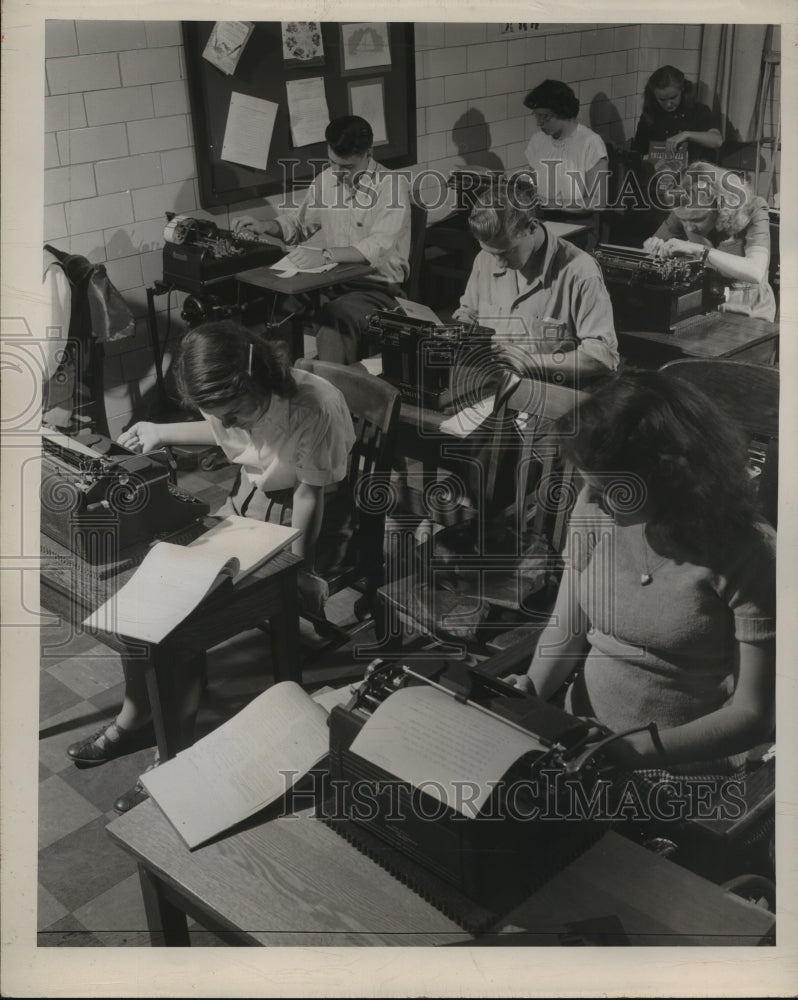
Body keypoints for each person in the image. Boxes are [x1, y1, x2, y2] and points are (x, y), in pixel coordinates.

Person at [65, 321, 356, 807]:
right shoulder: (232, 400)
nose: (230, 422)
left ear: (256, 378)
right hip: (252, 499)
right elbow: (228, 431)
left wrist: (297, 569)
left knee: (182, 614)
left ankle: (173, 754)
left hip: (310, 513)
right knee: (143, 593)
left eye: (235, 411)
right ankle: (137, 718)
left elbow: (309, 494)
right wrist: (161, 430)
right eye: (218, 413)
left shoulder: (315, 406)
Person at [507, 371, 776, 774]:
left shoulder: (754, 555)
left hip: (681, 764)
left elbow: (753, 716)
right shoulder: (595, 507)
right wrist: (530, 695)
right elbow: (567, 629)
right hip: (577, 742)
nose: (591, 500)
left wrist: (633, 751)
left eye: (608, 489)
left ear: (668, 476)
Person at [232, 115, 410, 365]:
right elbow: (298, 224)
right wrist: (265, 226)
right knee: (273, 308)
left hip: (377, 289)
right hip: (332, 285)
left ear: (369, 153)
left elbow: (378, 245)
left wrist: (325, 255)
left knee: (334, 320)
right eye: (331, 162)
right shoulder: (327, 180)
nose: (336, 172)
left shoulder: (391, 186)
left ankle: (334, 395)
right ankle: (284, 386)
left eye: (346, 168)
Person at [452, 173, 619, 383]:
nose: (498, 263)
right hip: (492, 383)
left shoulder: (580, 271)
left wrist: (529, 361)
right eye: (491, 253)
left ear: (531, 227)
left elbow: (602, 357)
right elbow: (468, 315)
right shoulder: (485, 259)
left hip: (551, 390)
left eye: (506, 253)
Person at [643, 161, 777, 321]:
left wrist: (699, 249)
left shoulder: (754, 208)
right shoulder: (686, 210)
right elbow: (651, 247)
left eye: (698, 219)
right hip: (705, 304)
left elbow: (755, 271)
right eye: (683, 220)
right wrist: (652, 247)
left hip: (750, 309)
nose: (689, 227)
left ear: (721, 205)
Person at [522, 80, 608, 248]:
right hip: (543, 222)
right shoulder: (538, 140)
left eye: (544, 117)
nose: (539, 123)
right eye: (536, 116)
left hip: (579, 227)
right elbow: (531, 187)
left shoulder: (590, 142)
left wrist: (556, 203)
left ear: (562, 112)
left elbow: (599, 201)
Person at [632, 65, 722, 165]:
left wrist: (686, 135)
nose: (668, 104)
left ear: (682, 89)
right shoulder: (650, 115)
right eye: (662, 99)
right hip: (659, 175)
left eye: (673, 97)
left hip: (694, 174)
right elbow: (637, 152)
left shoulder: (699, 110)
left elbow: (717, 140)